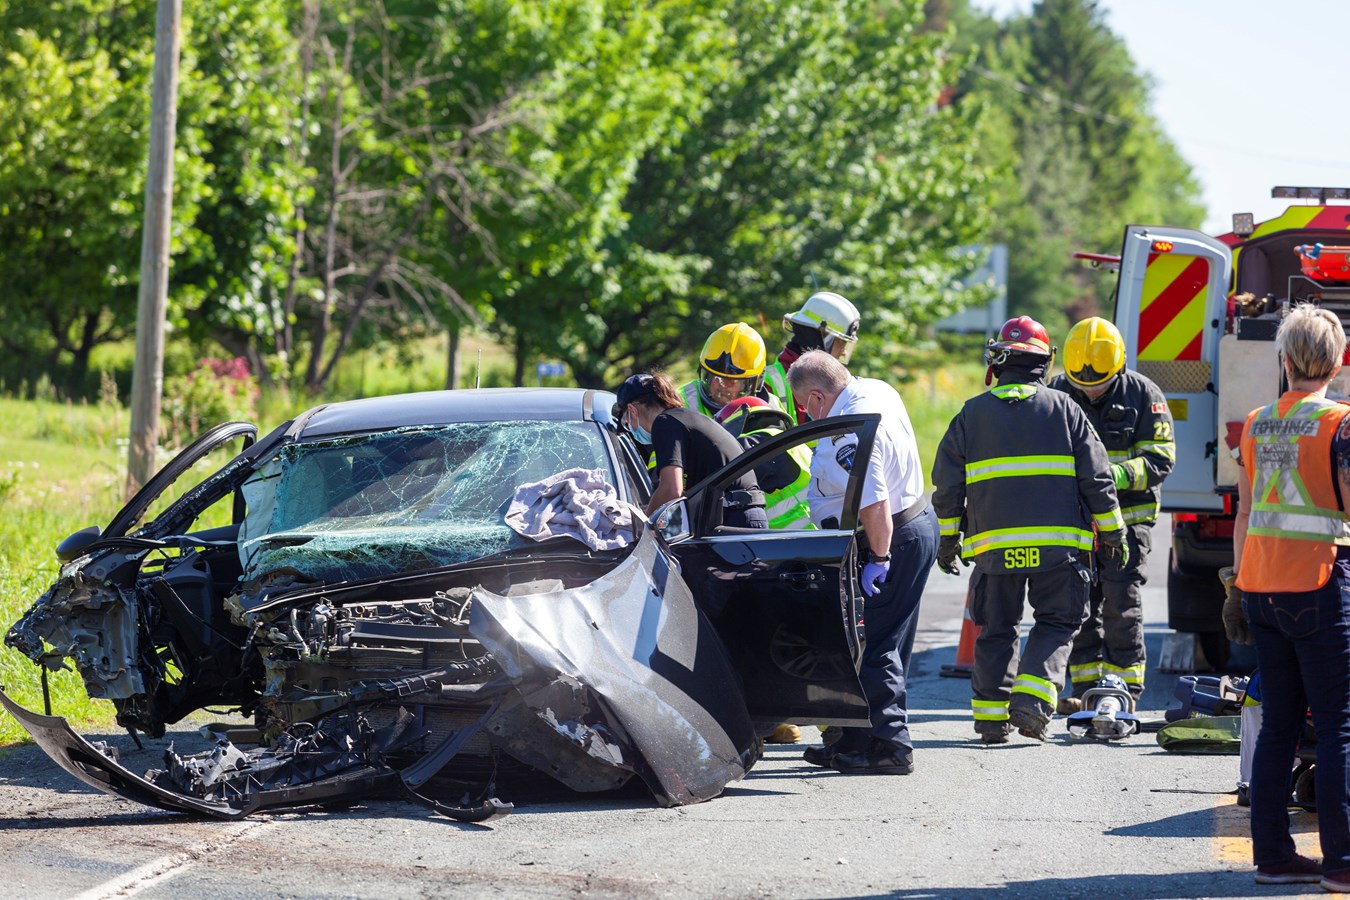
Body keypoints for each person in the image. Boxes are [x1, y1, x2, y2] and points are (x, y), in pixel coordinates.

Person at [930, 316, 1126, 744]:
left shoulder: (971, 414)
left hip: (995, 552)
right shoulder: (1066, 409)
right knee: (1056, 622)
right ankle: (1032, 704)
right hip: (1059, 550)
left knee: (996, 628)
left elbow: (947, 487)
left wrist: (947, 542)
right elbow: (1097, 479)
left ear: (997, 361)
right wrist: (1113, 533)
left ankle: (989, 719)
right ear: (1044, 362)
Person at [1225, 304, 1350, 889]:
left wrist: (1236, 581)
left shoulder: (1254, 423)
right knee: (1338, 727)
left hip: (1261, 586)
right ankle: (1343, 865)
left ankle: (1273, 856)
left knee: (1278, 726)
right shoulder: (1341, 425)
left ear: (1284, 359)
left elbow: (1245, 511)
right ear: (1339, 358)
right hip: (1321, 586)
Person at [787, 350, 937, 774]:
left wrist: (879, 557)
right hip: (915, 523)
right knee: (885, 641)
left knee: (873, 646)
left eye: (804, 407)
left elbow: (874, 504)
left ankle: (891, 746)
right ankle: (856, 742)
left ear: (817, 397)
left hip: (889, 537)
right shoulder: (874, 389)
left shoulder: (846, 435)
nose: (806, 416)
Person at [1049, 316, 1175, 710]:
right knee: (1080, 605)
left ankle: (1125, 690)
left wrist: (1108, 476)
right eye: (1081, 384)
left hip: (1129, 519)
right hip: (1078, 521)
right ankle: (1085, 691)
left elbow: (1161, 457)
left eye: (1098, 384)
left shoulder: (1143, 394)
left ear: (1118, 366)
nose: (1090, 390)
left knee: (1122, 603)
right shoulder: (1057, 390)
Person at [613, 372, 766, 529]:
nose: (629, 427)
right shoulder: (684, 418)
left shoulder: (665, 422)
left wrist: (642, 527)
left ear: (632, 410)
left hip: (735, 518)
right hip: (742, 514)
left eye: (626, 422)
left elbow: (671, 490)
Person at [715, 396, 813, 530]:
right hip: (813, 534)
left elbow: (717, 475)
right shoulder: (788, 443)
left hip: (796, 540)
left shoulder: (759, 442)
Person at [764, 291, 862, 425]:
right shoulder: (767, 385)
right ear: (820, 339)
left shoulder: (833, 384)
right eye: (841, 343)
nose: (844, 352)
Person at [681, 323, 786, 418]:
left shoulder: (771, 408)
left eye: (733, 381)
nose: (723, 385)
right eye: (716, 377)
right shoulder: (680, 402)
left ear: (756, 383)